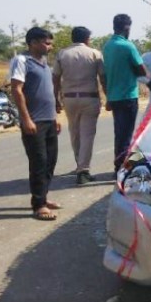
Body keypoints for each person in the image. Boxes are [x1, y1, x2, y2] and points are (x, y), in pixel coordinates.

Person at [10, 27, 61, 220]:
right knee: (38, 162)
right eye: (46, 43)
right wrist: (26, 119)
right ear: (33, 43)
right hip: (34, 122)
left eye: (50, 43)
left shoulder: (45, 64)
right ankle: (38, 205)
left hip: (49, 120)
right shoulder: (22, 61)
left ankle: (43, 197)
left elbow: (48, 93)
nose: (50, 46)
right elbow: (17, 90)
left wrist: (55, 117)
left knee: (50, 161)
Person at [52, 26, 106, 184]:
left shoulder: (62, 54)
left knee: (74, 133)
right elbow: (103, 77)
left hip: (69, 99)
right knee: (87, 134)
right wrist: (108, 96)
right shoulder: (95, 54)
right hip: (89, 97)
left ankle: (79, 164)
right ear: (87, 39)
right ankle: (83, 170)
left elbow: (55, 78)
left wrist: (55, 99)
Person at [102, 14, 147, 171]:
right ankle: (122, 167)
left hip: (114, 97)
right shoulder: (128, 46)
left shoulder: (107, 46)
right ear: (127, 28)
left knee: (120, 133)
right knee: (127, 134)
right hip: (128, 96)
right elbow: (141, 70)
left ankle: (120, 164)